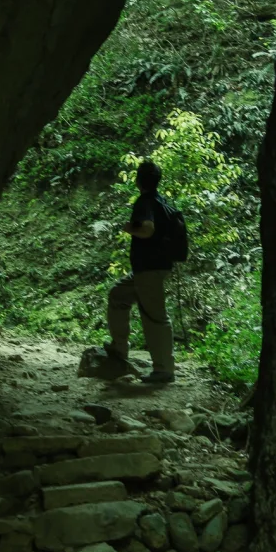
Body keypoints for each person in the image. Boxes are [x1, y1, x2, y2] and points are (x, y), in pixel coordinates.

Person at [105, 159, 176, 385]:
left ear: (138, 181)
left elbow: (147, 230)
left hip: (149, 269)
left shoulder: (145, 202)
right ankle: (119, 348)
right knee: (118, 294)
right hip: (153, 268)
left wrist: (130, 228)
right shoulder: (162, 202)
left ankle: (164, 370)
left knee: (155, 317)